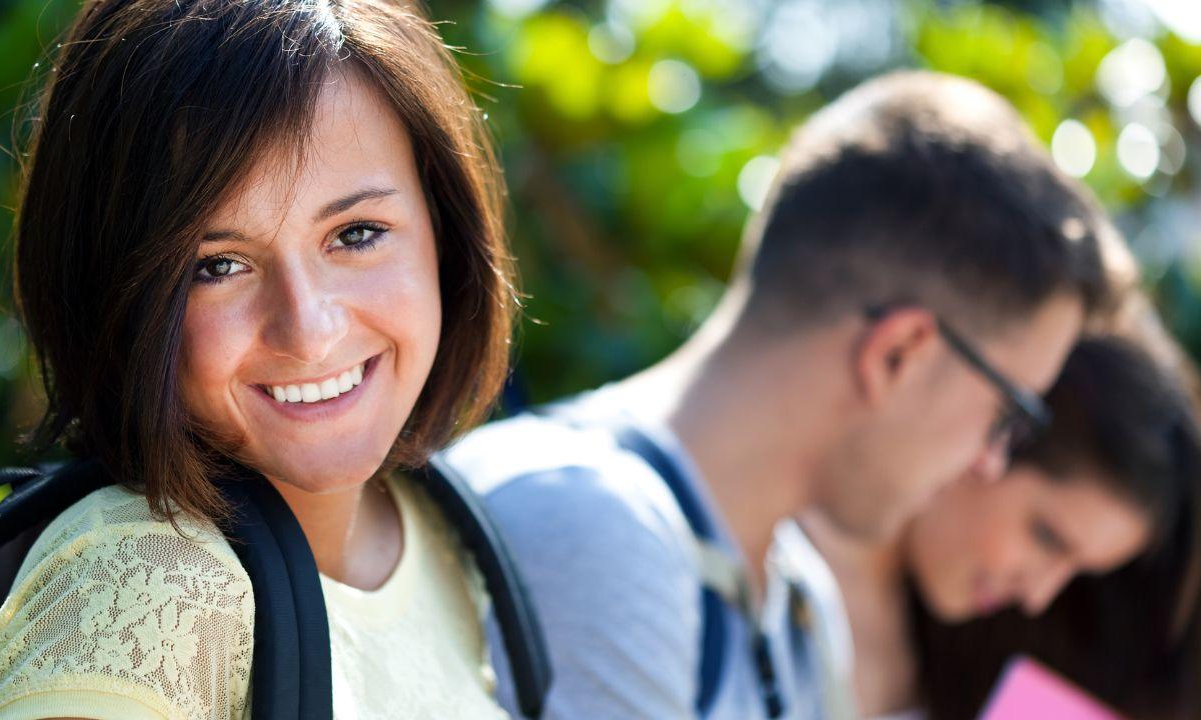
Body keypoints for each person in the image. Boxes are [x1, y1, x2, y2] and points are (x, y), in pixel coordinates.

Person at [445, 70, 1123, 719]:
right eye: (1009, 413)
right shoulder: (593, 525)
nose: (991, 462)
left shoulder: (796, 598)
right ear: (899, 354)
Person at [0, 0, 518, 717]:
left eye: (357, 234)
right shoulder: (146, 586)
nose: (309, 331)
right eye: (218, 266)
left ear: (444, 228)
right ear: (111, 294)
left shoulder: (441, 534)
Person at [798, 332, 1201, 719]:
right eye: (1046, 537)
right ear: (994, 437)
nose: (1037, 596)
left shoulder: (950, 657)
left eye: (1076, 573)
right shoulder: (780, 566)